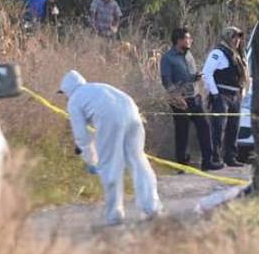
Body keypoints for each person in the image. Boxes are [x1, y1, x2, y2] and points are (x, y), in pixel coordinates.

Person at [59, 70, 161, 225]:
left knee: (110, 166)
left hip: (110, 119)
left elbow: (82, 136)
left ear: (67, 89)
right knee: (139, 161)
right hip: (132, 113)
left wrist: (91, 160)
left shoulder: (74, 100)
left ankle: (114, 214)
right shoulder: (97, 87)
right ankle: (152, 206)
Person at [161, 27, 219, 171]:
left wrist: (196, 77)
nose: (190, 41)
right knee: (182, 133)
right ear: (179, 40)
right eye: (188, 38)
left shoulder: (189, 55)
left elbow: (189, 76)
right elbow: (166, 80)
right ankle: (182, 165)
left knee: (205, 128)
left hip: (195, 98)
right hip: (179, 101)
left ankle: (208, 161)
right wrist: (176, 97)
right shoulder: (167, 58)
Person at [201, 25, 248, 166]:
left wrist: (242, 91)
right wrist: (215, 94)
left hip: (236, 95)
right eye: (234, 37)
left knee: (234, 127)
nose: (237, 40)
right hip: (222, 94)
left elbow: (244, 75)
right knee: (218, 128)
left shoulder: (239, 54)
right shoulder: (218, 53)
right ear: (227, 37)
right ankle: (215, 158)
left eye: (238, 38)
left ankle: (230, 157)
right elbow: (206, 73)